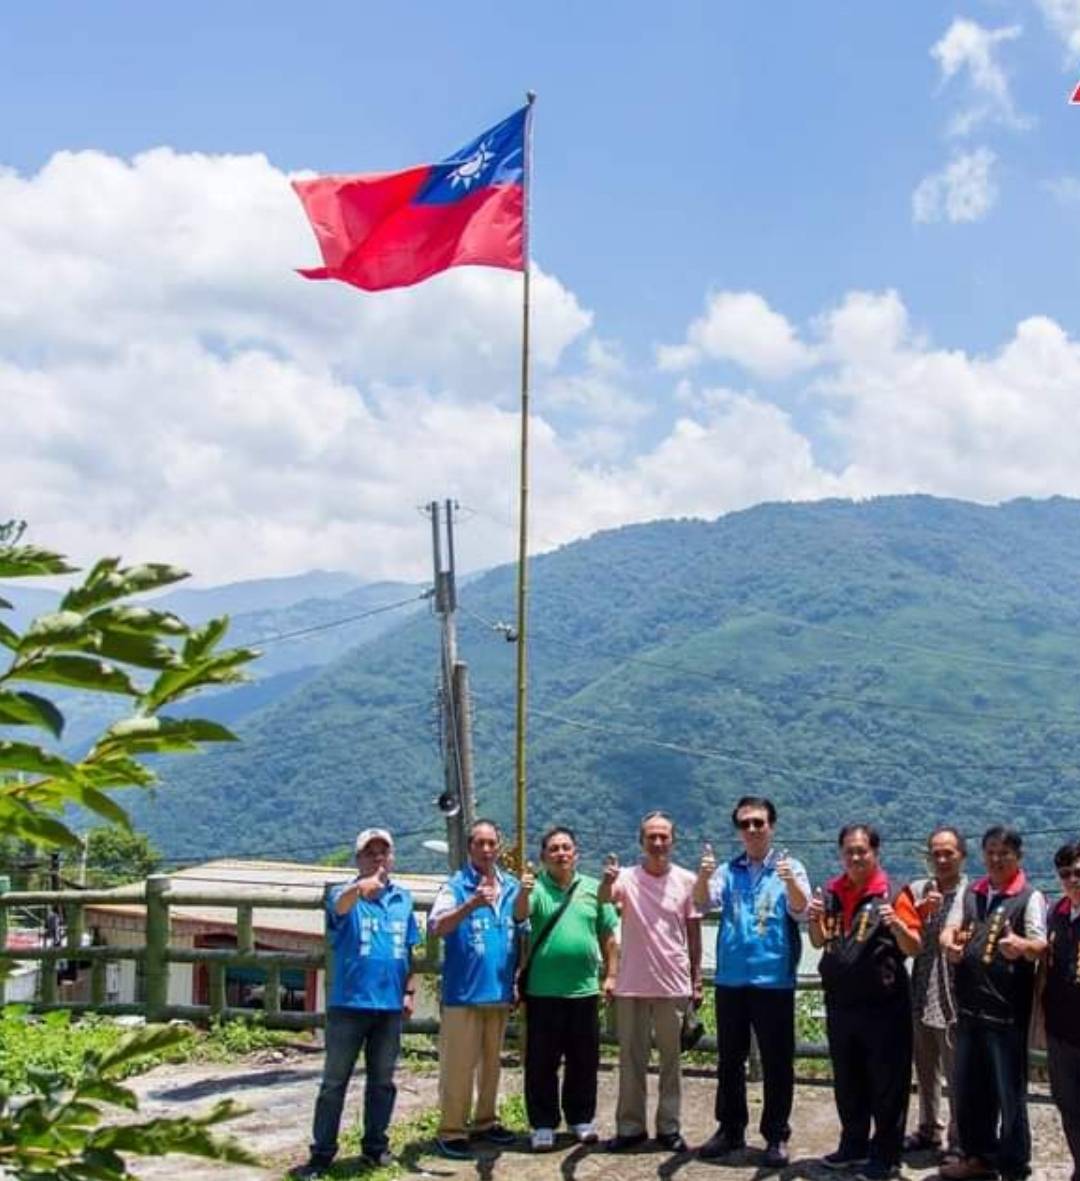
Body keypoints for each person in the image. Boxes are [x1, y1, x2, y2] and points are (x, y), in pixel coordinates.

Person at [294, 828, 421, 1179]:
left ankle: (375, 1146)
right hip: (349, 1005)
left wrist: (409, 991)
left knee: (383, 1081)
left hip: (389, 1008)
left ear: (392, 858)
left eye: (384, 853)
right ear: (358, 859)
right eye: (370, 853)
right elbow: (338, 908)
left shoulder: (403, 899)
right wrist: (359, 888)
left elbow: (410, 950)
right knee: (334, 1082)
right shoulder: (343, 894)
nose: (378, 859)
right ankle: (321, 1154)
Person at [694, 796, 810, 1167]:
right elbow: (701, 904)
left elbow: (803, 910)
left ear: (772, 826)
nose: (753, 830)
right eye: (745, 824)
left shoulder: (790, 867)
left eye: (759, 823)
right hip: (731, 979)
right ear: (738, 830)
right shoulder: (727, 871)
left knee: (778, 1062)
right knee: (730, 1059)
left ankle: (776, 1134)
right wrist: (702, 875)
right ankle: (730, 1129)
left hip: (774, 978)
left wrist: (791, 882)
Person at [808, 823, 922, 1181]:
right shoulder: (832, 891)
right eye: (849, 851)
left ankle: (887, 1153)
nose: (855, 857)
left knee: (886, 1081)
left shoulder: (892, 893)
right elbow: (818, 941)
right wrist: (813, 919)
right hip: (841, 1002)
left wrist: (898, 926)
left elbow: (913, 947)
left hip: (883, 1005)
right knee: (848, 1079)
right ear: (841, 853)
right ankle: (853, 1144)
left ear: (875, 852)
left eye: (862, 851)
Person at [939, 825, 1046, 1181]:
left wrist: (1021, 947)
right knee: (971, 1089)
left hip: (1007, 1013)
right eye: (991, 852)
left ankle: (1015, 1165)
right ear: (982, 855)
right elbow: (950, 928)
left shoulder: (1028, 896)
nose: (997, 859)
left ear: (1018, 856)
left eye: (1005, 853)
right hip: (970, 1009)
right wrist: (950, 944)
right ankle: (978, 1158)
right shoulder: (972, 892)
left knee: (1010, 1094)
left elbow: (1039, 944)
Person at [598, 810, 702, 1155]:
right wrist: (605, 879)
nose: (658, 843)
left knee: (672, 1062)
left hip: (673, 982)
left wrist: (696, 980)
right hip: (631, 983)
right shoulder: (626, 878)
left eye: (663, 836)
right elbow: (603, 900)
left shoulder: (686, 880)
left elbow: (693, 933)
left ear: (673, 840)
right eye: (651, 837)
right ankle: (630, 1127)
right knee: (631, 1060)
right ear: (641, 841)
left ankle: (669, 1127)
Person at [428, 818, 529, 1160]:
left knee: (491, 1065)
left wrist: (518, 978)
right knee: (458, 1066)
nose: (486, 850)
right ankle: (451, 1129)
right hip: (463, 994)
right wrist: (470, 904)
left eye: (491, 843)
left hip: (499, 991)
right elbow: (436, 927)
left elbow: (522, 933)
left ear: (499, 847)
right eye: (479, 843)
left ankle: (485, 1121)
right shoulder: (455, 886)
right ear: (469, 848)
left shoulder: (513, 886)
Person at [521, 825, 619, 1152]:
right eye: (554, 849)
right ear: (543, 857)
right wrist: (523, 890)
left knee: (584, 1059)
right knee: (541, 1061)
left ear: (576, 853)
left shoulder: (593, 888)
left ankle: (581, 1118)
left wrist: (611, 975)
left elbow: (608, 933)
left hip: (584, 990)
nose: (561, 853)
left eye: (566, 848)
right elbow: (519, 915)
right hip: (543, 991)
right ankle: (543, 1123)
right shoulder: (536, 889)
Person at [905, 826, 968, 1164]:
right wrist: (918, 911)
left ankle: (959, 1138)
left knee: (956, 1070)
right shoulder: (918, 889)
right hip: (920, 990)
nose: (941, 859)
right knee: (925, 1067)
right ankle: (929, 1127)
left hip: (955, 999)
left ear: (962, 855)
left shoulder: (970, 895)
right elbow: (902, 932)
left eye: (949, 853)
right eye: (936, 853)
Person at [1045, 839, 1080, 1181]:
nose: (1072, 880)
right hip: (1061, 1029)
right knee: (1068, 1106)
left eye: (1078, 873)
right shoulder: (1056, 913)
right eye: (1065, 873)